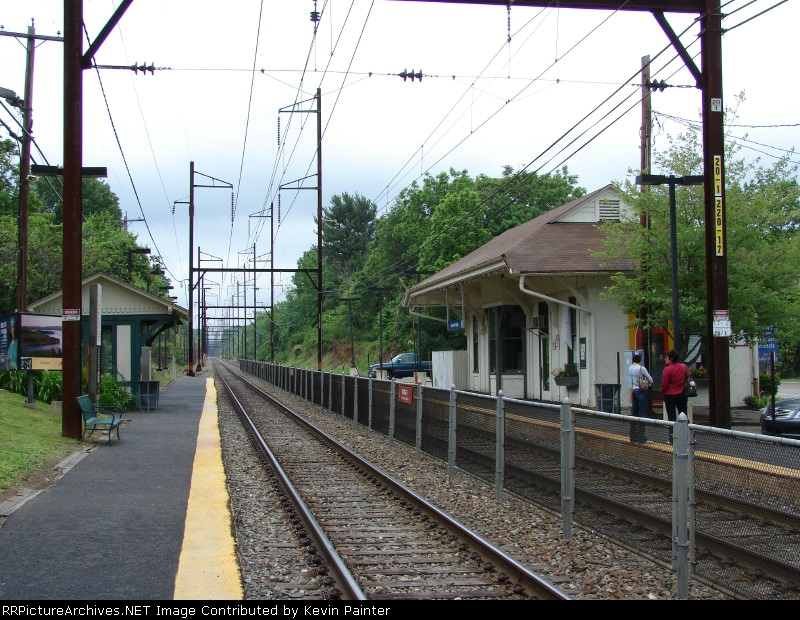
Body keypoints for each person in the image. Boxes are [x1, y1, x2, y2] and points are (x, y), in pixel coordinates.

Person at [661, 348, 690, 444]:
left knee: (671, 417)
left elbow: (664, 384)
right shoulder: (683, 367)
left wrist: (662, 391)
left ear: (670, 358)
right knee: (684, 415)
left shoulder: (667, 370)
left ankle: (672, 438)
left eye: (666, 357)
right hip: (681, 393)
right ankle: (687, 436)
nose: (665, 359)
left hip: (669, 395)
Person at [628, 353, 653, 443]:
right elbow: (651, 380)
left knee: (634, 414)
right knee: (642, 414)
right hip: (641, 391)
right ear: (640, 360)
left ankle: (633, 437)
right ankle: (641, 437)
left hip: (634, 391)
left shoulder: (630, 368)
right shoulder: (641, 368)